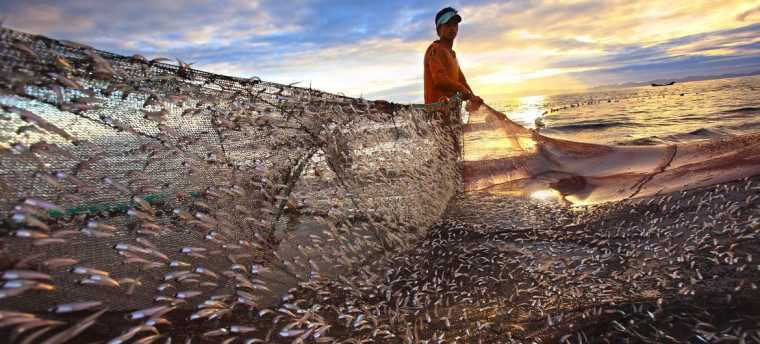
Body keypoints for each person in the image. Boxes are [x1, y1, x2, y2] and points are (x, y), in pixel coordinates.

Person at [424, 6, 483, 111]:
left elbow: (462, 81)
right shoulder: (435, 50)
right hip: (437, 115)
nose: (452, 28)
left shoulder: (453, 55)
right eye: (447, 25)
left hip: (452, 114)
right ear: (439, 30)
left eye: (455, 24)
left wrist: (472, 97)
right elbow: (439, 80)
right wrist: (461, 89)